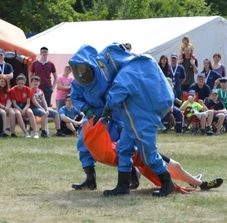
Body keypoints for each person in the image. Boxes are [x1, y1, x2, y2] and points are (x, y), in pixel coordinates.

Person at [98, 42, 175, 197]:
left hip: (141, 119)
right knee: (124, 148)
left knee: (148, 154)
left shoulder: (125, 75)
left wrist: (106, 109)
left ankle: (167, 183)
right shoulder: (145, 61)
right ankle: (123, 186)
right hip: (135, 118)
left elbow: (115, 97)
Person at [69, 44, 124, 191]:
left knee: (120, 144)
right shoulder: (77, 81)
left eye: (83, 67)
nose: (80, 71)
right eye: (77, 68)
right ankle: (90, 178)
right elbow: (75, 98)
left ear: (91, 65)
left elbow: (115, 92)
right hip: (91, 115)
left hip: (112, 114)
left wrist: (108, 108)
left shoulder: (106, 75)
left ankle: (130, 175)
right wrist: (85, 109)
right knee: (84, 142)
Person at [10, 74, 39, 139]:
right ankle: (26, 132)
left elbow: (28, 103)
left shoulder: (28, 90)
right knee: (18, 113)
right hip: (17, 106)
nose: (20, 85)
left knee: (30, 112)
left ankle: (35, 133)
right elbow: (14, 104)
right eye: (19, 83)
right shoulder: (12, 90)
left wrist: (24, 109)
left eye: (22, 83)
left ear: (24, 83)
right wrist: (21, 110)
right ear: (16, 82)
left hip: (25, 105)